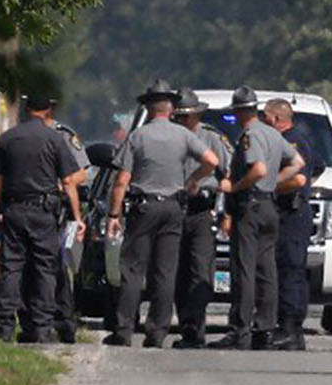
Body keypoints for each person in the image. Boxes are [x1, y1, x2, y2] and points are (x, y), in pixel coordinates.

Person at [105, 79, 220, 348]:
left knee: (133, 268)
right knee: (165, 271)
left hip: (144, 206)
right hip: (173, 207)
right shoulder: (184, 135)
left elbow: (122, 179)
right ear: (171, 109)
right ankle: (157, 332)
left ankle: (123, 330)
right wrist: (193, 180)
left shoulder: (138, 136)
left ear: (148, 107)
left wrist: (114, 215)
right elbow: (212, 162)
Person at [0, 95, 85, 344]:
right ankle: (42, 327)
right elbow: (68, 181)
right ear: (48, 109)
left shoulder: (7, 139)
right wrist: (77, 217)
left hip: (14, 211)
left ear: (25, 108)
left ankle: (5, 327)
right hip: (43, 213)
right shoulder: (54, 138)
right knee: (45, 269)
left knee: (11, 268)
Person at [212, 86, 302, 350]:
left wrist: (235, 186)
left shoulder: (250, 134)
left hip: (250, 206)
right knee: (267, 271)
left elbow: (259, 169)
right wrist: (274, 183)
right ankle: (264, 329)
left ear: (240, 112)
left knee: (244, 270)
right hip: (269, 207)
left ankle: (240, 331)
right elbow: (297, 163)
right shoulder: (273, 135)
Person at [171, 89, 233, 349]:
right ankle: (186, 325)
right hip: (172, 210)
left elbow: (227, 177)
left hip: (200, 211)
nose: (184, 122)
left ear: (197, 115)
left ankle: (195, 326)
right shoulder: (168, 137)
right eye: (180, 117)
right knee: (176, 272)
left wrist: (227, 213)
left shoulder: (211, 138)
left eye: (189, 117)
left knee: (200, 271)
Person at [263, 97, 325, 351]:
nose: (262, 121)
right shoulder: (299, 138)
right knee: (290, 270)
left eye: (265, 117)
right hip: (293, 210)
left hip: (291, 210)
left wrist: (271, 187)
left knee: (290, 270)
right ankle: (290, 330)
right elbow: (317, 166)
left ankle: (289, 329)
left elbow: (299, 179)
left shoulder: (291, 141)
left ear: (277, 119)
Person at [51, 123, 90, 343]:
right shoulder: (16, 134)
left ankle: (63, 320)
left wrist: (57, 185)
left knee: (57, 266)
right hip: (24, 206)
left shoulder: (64, 136)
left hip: (54, 208)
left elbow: (81, 174)